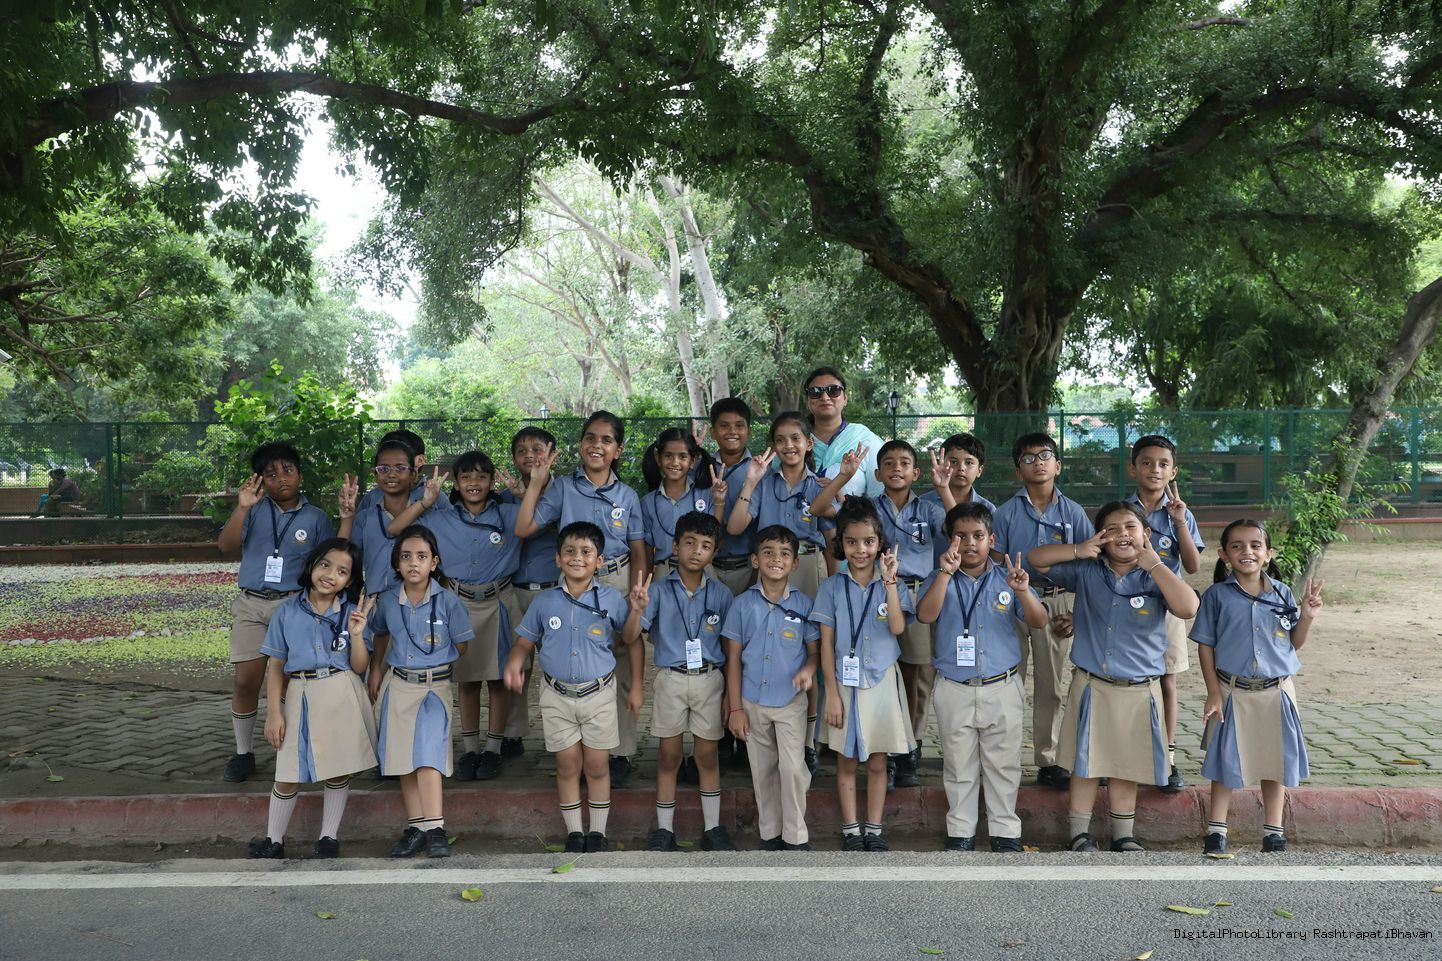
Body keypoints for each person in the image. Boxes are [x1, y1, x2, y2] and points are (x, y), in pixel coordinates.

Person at [1027, 502, 1200, 853]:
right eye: (1112, 529)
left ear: (1146, 534)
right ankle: (1079, 833)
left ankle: (1123, 835)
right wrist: (1079, 549)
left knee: (1126, 764)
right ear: (1101, 537)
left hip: (1139, 690)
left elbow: (1188, 607)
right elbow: (1037, 560)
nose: (1123, 534)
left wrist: (1155, 565)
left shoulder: (1158, 573)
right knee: (1085, 763)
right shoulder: (1087, 570)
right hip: (1092, 685)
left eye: (1130, 527)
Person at [515, 411, 647, 788]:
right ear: (580, 444)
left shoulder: (627, 495)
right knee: (577, 657)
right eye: (590, 438)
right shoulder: (563, 488)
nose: (597, 445)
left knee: (622, 660)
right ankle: (576, 746)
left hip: (617, 577)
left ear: (618, 449)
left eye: (606, 440)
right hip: (574, 578)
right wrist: (536, 484)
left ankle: (619, 751)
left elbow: (639, 549)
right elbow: (523, 528)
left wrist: (636, 590)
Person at [810, 439, 949, 788]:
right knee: (875, 668)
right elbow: (819, 508)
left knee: (913, 674)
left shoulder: (927, 507)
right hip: (870, 588)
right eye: (888, 463)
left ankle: (908, 748)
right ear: (877, 473)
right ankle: (877, 750)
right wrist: (844, 476)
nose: (896, 468)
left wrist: (944, 489)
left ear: (916, 472)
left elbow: (955, 526)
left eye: (904, 463)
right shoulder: (867, 507)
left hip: (911, 592)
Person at [217, 441, 353, 783]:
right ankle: (243, 753)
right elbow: (226, 545)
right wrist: (242, 508)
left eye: (288, 470)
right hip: (251, 603)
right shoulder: (254, 509)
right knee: (245, 680)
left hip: (294, 606)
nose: (281, 479)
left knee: (289, 683)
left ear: (300, 475)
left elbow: (336, 555)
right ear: (261, 480)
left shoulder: (315, 517)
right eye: (271, 474)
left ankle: (290, 749)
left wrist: (347, 518)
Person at [915, 504, 1047, 852]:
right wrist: (944, 575)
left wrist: (1023, 591)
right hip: (954, 687)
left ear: (992, 539)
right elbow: (926, 615)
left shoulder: (1008, 578)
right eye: (961, 536)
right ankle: (961, 830)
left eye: (978, 536)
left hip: (1002, 686)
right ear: (949, 540)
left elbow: (1039, 621)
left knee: (1004, 764)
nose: (970, 543)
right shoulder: (938, 577)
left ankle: (1005, 831)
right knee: (958, 763)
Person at [503, 521, 634, 853]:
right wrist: (514, 662)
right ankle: (575, 832)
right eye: (570, 551)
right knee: (567, 764)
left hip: (599, 694)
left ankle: (598, 832)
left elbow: (630, 638)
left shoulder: (612, 599)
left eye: (586, 552)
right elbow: (524, 642)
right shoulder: (544, 602)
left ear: (599, 560)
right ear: (558, 559)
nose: (577, 557)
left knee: (597, 766)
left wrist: (639, 611)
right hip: (556, 695)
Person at [389, 454, 521, 782]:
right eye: (466, 477)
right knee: (467, 679)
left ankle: (493, 750)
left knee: (498, 680)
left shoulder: (509, 514)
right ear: (457, 484)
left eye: (481, 477)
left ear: (492, 482)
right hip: (459, 602)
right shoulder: (440, 517)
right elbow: (397, 529)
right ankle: (471, 749)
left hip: (498, 601)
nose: (474, 483)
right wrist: (426, 501)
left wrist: (521, 494)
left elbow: (543, 519)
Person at [1194, 520, 1323, 855]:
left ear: (1268, 553)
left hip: (1276, 691)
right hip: (1232, 691)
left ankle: (1273, 832)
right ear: (1223, 554)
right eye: (1236, 546)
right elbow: (1205, 645)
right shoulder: (1216, 596)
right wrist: (1213, 692)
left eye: (1255, 545)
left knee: (1274, 760)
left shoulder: (1282, 593)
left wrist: (1307, 616)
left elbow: (1293, 643)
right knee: (1224, 761)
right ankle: (1216, 831)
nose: (1246, 551)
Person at [248, 539, 377, 859]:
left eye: (342, 571)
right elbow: (276, 666)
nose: (331, 575)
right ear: (311, 565)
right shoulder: (287, 611)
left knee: (338, 768)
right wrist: (273, 712)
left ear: (350, 579)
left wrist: (357, 634)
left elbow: (360, 666)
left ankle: (328, 838)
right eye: (325, 565)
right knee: (288, 771)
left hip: (340, 691)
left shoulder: (353, 612)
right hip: (300, 691)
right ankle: (274, 840)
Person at [623, 511, 736, 851]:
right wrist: (637, 610)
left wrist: (730, 696)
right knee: (669, 756)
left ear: (714, 552)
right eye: (689, 542)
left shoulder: (722, 594)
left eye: (705, 545)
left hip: (710, 679)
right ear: (675, 546)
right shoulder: (656, 591)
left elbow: (730, 650)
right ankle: (664, 829)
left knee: (707, 756)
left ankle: (713, 828)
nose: (696, 551)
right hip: (671, 679)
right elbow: (629, 637)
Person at [727, 411, 833, 774]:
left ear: (809, 443)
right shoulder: (764, 483)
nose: (789, 446)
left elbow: (832, 537)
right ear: (772, 445)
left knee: (810, 652)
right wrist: (750, 482)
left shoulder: (819, 484)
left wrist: (832, 586)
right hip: (771, 568)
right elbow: (735, 526)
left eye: (796, 438)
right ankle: (757, 730)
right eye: (780, 440)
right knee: (768, 647)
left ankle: (808, 740)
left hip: (809, 565)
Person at [990, 432, 1091, 791]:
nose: (1038, 463)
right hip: (1012, 602)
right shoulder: (1004, 514)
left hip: (1057, 601)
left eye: (1045, 455)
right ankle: (1003, 756)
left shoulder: (1074, 513)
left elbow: (1091, 567)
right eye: (1028, 458)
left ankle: (1048, 759)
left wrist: (1078, 614)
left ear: (1058, 465)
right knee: (1008, 682)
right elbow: (993, 566)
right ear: (1018, 471)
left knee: (1051, 685)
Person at [365, 525, 473, 858]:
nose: (414, 563)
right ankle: (417, 828)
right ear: (397, 563)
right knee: (403, 760)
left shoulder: (449, 601)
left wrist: (435, 658)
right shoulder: (387, 600)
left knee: (428, 756)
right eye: (406, 556)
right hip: (399, 684)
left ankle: (436, 828)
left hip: (434, 687)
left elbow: (462, 644)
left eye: (422, 556)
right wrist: (376, 668)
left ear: (434, 562)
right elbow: (380, 633)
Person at [815, 497, 912, 851]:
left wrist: (890, 583)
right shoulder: (831, 588)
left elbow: (898, 628)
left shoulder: (893, 585)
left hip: (881, 680)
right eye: (852, 542)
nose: (861, 550)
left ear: (880, 543)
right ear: (840, 544)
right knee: (845, 760)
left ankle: (874, 828)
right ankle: (850, 830)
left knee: (877, 760)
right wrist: (831, 694)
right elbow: (826, 645)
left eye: (869, 542)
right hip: (843, 683)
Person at [722, 525, 820, 851]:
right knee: (762, 770)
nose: (776, 559)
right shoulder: (741, 605)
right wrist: (736, 708)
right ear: (755, 560)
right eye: (768, 552)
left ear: (795, 563)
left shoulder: (804, 605)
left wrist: (808, 671)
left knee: (791, 768)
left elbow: (815, 654)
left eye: (784, 554)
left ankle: (795, 835)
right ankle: (770, 833)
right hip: (752, 701)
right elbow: (733, 660)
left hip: (790, 701)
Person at [1126, 434, 1205, 793]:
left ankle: (1167, 758)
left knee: (1166, 680)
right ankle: (1122, 757)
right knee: (1127, 681)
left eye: (1163, 464)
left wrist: (1180, 522)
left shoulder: (1180, 514)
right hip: (1128, 604)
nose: (1154, 470)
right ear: (1133, 469)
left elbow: (1192, 565)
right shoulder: (1122, 512)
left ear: (1173, 471)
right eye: (1147, 463)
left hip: (1168, 606)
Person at [496, 426, 561, 760]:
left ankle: (561, 733)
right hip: (515, 592)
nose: (530, 456)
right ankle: (513, 733)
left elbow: (547, 525)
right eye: (521, 450)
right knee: (517, 665)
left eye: (537, 449)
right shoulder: (503, 498)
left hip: (555, 592)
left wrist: (529, 494)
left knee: (558, 666)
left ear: (551, 454)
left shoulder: (564, 492)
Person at [640, 427, 725, 578]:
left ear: (692, 461)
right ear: (658, 459)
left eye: (682, 456)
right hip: (664, 570)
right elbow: (647, 548)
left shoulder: (705, 494)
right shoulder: (648, 502)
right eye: (668, 456)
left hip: (701, 570)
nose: (675, 462)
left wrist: (719, 501)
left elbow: (714, 535)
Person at [353, 438, 419, 601]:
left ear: (413, 475)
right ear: (376, 475)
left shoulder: (426, 517)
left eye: (400, 468)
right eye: (383, 469)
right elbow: (348, 558)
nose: (391, 474)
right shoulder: (365, 518)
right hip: (373, 603)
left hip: (415, 605)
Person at [804, 367, 884, 499]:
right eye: (815, 392)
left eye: (833, 390)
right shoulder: (793, 441)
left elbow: (880, 497)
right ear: (807, 400)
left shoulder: (864, 440)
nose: (824, 397)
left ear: (845, 397)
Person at [707, 398, 760, 596]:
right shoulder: (702, 469)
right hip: (708, 567)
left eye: (739, 426)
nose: (732, 431)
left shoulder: (760, 470)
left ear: (749, 431)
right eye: (724, 426)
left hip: (748, 568)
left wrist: (757, 573)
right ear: (713, 432)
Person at [919, 434, 996, 516]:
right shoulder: (921, 504)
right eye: (954, 462)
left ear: (979, 470)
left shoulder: (988, 509)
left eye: (969, 463)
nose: (961, 468)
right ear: (941, 463)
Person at [358, 429, 427, 511]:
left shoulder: (434, 497)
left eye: (400, 466)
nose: (391, 474)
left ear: (420, 460)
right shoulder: (372, 497)